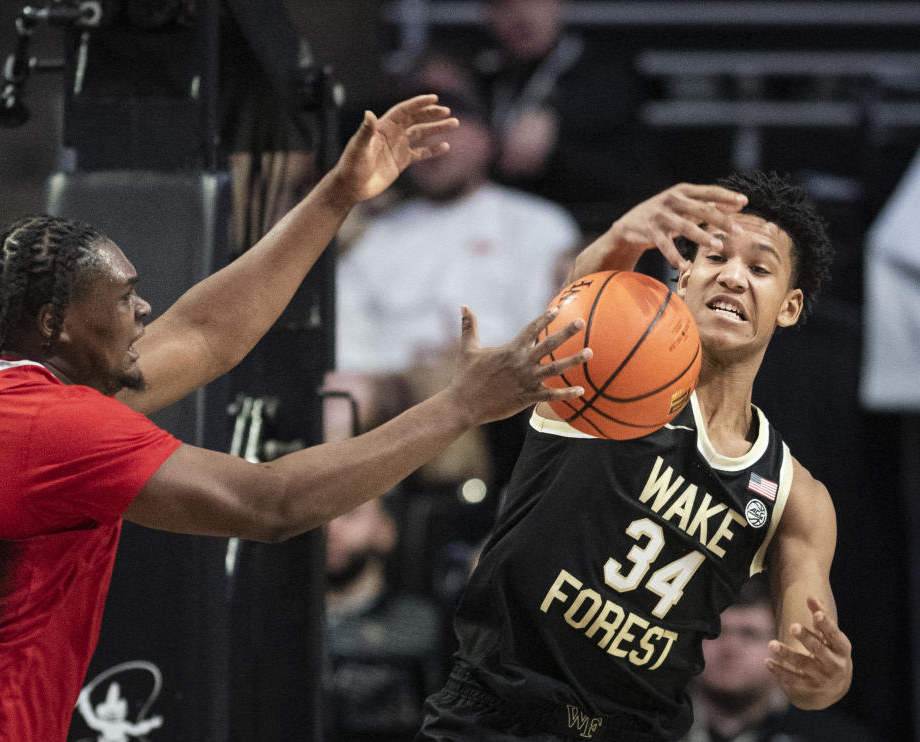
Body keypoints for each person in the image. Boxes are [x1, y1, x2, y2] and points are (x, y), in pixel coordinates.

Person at [0, 94, 593, 741]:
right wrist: (461, 405)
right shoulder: (48, 428)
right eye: (123, 299)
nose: (145, 308)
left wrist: (336, 194)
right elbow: (270, 504)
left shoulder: (5, 394)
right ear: (54, 325)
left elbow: (204, 334)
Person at [416, 171, 854, 742]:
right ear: (683, 275)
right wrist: (626, 233)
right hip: (502, 713)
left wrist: (829, 676)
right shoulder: (609, 371)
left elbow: (807, 671)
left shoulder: (795, 495)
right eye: (716, 256)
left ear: (789, 307)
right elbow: (584, 297)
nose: (732, 275)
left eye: (760, 268)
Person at [331, 53, 581, 489]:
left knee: (447, 378)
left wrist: (468, 360)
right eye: (418, 124)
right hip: (391, 393)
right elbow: (351, 346)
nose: (433, 138)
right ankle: (336, 528)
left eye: (451, 116)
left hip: (502, 392)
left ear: (488, 134)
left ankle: (453, 525)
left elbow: (555, 333)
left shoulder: (538, 225)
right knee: (338, 396)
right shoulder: (371, 238)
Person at [472, 0, 666, 223]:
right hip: (510, 230)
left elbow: (629, 173)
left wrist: (556, 123)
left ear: (558, 4)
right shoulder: (484, 78)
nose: (522, 16)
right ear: (487, 14)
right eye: (506, 6)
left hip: (601, 225)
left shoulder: (608, 68)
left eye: (533, 3)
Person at [682, 575, 877, 742]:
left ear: (782, 644)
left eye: (749, 634)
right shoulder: (656, 727)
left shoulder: (832, 737)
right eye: (715, 633)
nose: (730, 648)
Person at [324, 494, 444, 741]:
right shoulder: (281, 625)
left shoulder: (421, 622)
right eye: (320, 518)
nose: (330, 528)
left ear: (386, 531)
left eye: (350, 514)